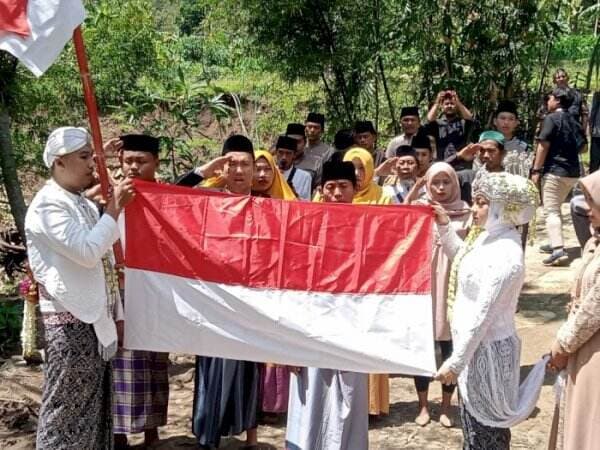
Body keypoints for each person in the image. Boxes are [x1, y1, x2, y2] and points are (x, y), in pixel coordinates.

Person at [26, 127, 135, 449]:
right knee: (65, 413)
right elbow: (88, 253)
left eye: (92, 156)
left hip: (92, 322)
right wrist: (114, 208)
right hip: (70, 325)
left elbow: (100, 256)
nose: (92, 165)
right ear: (60, 162)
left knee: (94, 411)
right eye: (85, 157)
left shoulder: (79, 203)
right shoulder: (48, 207)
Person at [432, 170, 544, 450]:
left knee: (487, 433)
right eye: (476, 201)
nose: (474, 207)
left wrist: (456, 362)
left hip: (488, 351)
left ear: (503, 209)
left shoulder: (507, 255)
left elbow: (483, 315)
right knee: (472, 429)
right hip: (470, 347)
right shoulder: (485, 238)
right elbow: (463, 260)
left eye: (482, 203)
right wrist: (445, 226)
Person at [178, 135, 261, 449]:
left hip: (254, 301)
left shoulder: (269, 207)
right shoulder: (207, 202)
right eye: (232, 164)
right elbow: (170, 195)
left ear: (255, 169)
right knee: (213, 365)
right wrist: (203, 171)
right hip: (213, 301)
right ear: (223, 168)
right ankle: (207, 437)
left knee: (250, 365)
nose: (239, 170)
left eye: (245, 164)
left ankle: (251, 435)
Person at [285, 160, 369, 450]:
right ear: (320, 190)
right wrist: (291, 343)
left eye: (343, 187)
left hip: (353, 329)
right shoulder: (304, 230)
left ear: (355, 189)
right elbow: (292, 286)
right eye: (329, 187)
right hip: (310, 329)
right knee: (310, 405)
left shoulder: (369, 228)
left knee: (350, 402)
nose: (336, 193)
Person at [112, 134, 170, 449]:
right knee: (120, 361)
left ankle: (151, 430)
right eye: (128, 160)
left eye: (141, 161)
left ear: (155, 163)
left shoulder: (166, 196)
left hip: (155, 289)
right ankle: (119, 432)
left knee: (154, 360)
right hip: (118, 289)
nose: (134, 166)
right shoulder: (109, 195)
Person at [409, 162, 470, 428]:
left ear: (455, 183)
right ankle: (423, 405)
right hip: (422, 285)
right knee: (422, 346)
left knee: (450, 347)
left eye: (446, 182)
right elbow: (396, 217)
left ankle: (446, 406)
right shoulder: (419, 210)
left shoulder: (467, 212)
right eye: (435, 182)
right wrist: (416, 188)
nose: (441, 188)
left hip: (453, 287)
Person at [547, 170, 600, 450]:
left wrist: (562, 345)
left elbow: (594, 309)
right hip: (584, 349)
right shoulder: (595, 242)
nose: (586, 210)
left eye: (593, 203)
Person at [532, 88, 587, 265]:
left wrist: (535, 170)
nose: (547, 102)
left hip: (554, 172)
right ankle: (555, 240)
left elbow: (543, 146)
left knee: (551, 211)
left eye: (549, 99)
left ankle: (558, 251)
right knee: (555, 208)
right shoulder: (574, 120)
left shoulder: (551, 119)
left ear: (556, 100)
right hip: (572, 173)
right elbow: (583, 148)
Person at [425, 90, 477, 203]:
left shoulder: (463, 123)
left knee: (465, 197)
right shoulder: (437, 124)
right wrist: (437, 103)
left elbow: (470, 118)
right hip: (443, 166)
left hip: (463, 168)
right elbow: (429, 119)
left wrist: (457, 102)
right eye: (446, 104)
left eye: (451, 104)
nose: (449, 106)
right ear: (442, 106)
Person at [493, 100, 533, 177]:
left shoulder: (523, 147)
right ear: (495, 121)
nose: (506, 122)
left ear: (516, 123)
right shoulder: (486, 145)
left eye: (511, 119)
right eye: (502, 118)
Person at [299, 113, 333, 188]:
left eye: (316, 127)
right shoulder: (298, 148)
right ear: (305, 128)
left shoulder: (328, 151)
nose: (312, 130)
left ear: (322, 130)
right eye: (309, 127)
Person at [273, 135, 311, 200]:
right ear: (276, 153)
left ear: (294, 155)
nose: (284, 157)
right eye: (281, 152)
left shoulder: (305, 177)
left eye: (288, 153)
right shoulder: (270, 173)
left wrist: (295, 195)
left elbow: (306, 205)